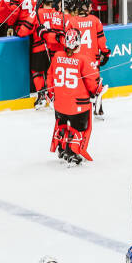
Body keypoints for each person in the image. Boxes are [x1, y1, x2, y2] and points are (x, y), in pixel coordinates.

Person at [45, 29, 101, 165]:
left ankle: (62, 148)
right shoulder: (83, 59)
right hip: (78, 104)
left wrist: (52, 95)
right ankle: (73, 152)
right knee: (79, 128)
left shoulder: (57, 56)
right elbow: (92, 82)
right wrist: (97, 90)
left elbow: (50, 78)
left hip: (59, 104)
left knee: (62, 124)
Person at [64, 0, 110, 118]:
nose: (91, 8)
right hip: (92, 59)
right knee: (95, 85)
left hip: (77, 59)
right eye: (89, 6)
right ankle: (99, 110)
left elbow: (67, 42)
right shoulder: (95, 20)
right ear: (84, 7)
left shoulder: (71, 21)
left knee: (80, 85)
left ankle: (80, 111)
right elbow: (101, 41)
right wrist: (106, 53)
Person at [9, 0, 46, 102]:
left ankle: (32, 88)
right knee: (40, 60)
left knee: (27, 61)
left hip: (23, 29)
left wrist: (10, 26)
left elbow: (14, 12)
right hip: (38, 28)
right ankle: (44, 89)